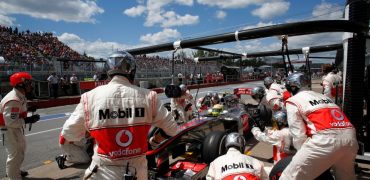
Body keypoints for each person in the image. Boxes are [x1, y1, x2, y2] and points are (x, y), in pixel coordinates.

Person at [61, 51, 178, 179]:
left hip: (102, 172)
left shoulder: (89, 97)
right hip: (137, 172)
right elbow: (172, 129)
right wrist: (154, 141)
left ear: (107, 72)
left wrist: (90, 132)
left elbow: (68, 133)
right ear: (132, 72)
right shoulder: (150, 96)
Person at [280, 72, 358, 180]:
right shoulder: (325, 97)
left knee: (288, 177)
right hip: (351, 139)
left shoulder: (293, 101)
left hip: (325, 141)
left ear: (292, 86)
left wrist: (301, 155)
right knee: (346, 177)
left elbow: (298, 134)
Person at [0, 72, 40, 179]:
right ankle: (14, 177)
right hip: (10, 130)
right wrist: (28, 120)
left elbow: (18, 111)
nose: (31, 85)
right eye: (28, 83)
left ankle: (15, 171)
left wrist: (29, 109)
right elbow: (11, 122)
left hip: (15, 129)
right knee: (15, 154)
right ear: (20, 84)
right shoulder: (13, 99)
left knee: (20, 150)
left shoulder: (20, 95)